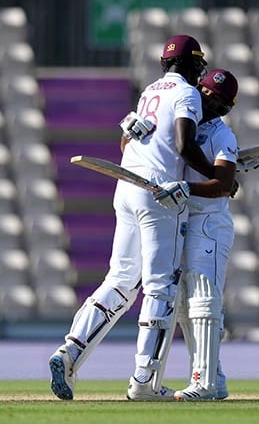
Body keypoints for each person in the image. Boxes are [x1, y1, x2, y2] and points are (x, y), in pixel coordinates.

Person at [48, 34, 218, 401]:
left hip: (125, 187)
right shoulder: (187, 93)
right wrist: (217, 177)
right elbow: (184, 145)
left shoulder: (148, 92)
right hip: (158, 193)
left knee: (122, 280)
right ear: (191, 65)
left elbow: (131, 140)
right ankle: (145, 382)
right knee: (160, 287)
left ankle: (69, 351)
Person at [172, 68, 241, 401]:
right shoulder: (181, 119)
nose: (212, 103)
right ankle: (214, 375)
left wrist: (186, 187)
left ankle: (204, 384)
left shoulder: (223, 135)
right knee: (186, 305)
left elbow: (224, 187)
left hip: (210, 224)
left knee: (203, 299)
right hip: (184, 221)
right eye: (208, 95)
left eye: (221, 102)